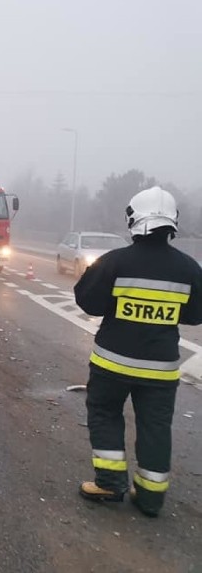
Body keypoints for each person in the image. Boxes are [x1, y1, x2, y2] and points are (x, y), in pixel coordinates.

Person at [75, 186, 202, 517]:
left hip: (111, 363)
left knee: (104, 414)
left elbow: (88, 301)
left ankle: (110, 482)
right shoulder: (189, 269)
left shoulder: (114, 262)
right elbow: (195, 314)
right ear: (172, 222)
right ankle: (150, 498)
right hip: (160, 370)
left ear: (132, 218)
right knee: (155, 427)